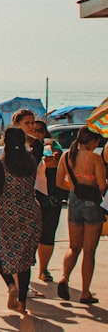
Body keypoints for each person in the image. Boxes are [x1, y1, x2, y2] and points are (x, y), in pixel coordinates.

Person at [0, 127, 41, 314]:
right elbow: (40, 144)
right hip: (30, 212)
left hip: (7, 213)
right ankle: (23, 303)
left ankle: (11, 285)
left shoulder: (0, 164)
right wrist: (22, 137)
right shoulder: (32, 161)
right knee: (25, 260)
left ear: (5, 142)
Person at [54, 126, 106, 304]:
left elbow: (59, 182)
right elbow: (101, 186)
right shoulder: (95, 158)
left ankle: (64, 278)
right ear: (93, 141)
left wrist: (76, 189)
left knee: (73, 246)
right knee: (89, 250)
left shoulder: (66, 156)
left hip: (73, 202)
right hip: (92, 204)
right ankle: (85, 293)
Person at [33, 120, 64, 283]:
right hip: (30, 194)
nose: (36, 133)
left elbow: (54, 160)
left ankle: (43, 269)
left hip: (50, 196)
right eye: (33, 129)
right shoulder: (22, 147)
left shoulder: (51, 145)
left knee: (48, 232)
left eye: (40, 130)